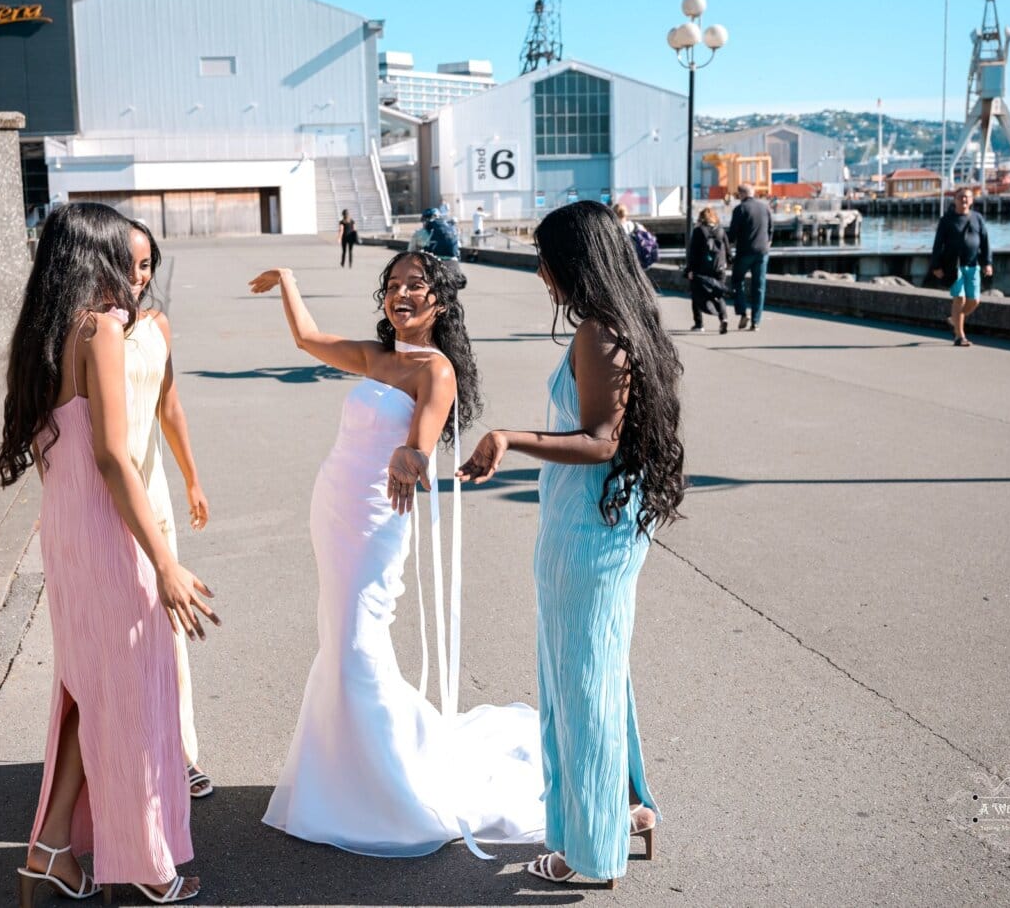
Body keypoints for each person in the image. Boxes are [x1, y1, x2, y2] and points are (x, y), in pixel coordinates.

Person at [252, 252, 545, 858]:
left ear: (441, 298)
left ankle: (393, 789)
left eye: (415, 285)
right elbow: (308, 338)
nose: (401, 294)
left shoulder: (435, 371)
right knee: (340, 638)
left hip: (380, 514)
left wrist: (407, 458)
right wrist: (288, 279)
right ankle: (343, 781)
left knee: (360, 643)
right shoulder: (378, 356)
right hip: (333, 502)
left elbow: (421, 446)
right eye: (392, 286)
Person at [0, 202, 218, 907]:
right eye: (122, 257)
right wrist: (165, 562)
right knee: (131, 700)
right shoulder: (103, 329)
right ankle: (150, 868)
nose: (135, 273)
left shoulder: (47, 330)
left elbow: (54, 454)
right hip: (108, 530)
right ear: (94, 257)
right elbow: (115, 456)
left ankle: (51, 845)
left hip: (66, 531)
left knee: (90, 694)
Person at [458, 201, 685, 890]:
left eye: (544, 256)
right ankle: (625, 806)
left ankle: (588, 851)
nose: (539, 270)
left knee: (578, 683)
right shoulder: (628, 322)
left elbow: (600, 440)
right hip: (600, 527)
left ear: (573, 262)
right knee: (596, 674)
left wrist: (508, 437)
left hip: (587, 535)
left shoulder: (598, 332)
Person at [127, 222, 215, 800]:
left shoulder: (157, 325)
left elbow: (170, 406)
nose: (137, 277)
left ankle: (179, 753)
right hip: (103, 496)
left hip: (151, 493)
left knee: (166, 625)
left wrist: (191, 479)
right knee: (120, 631)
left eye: (144, 264)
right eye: (127, 263)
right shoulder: (86, 330)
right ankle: (122, 749)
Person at [929, 188, 992, 346]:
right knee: (960, 298)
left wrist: (987, 263)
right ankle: (959, 336)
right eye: (960, 197)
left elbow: (985, 241)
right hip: (954, 266)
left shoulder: (978, 218)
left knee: (975, 300)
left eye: (967, 198)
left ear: (971, 201)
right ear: (955, 200)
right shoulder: (947, 219)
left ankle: (954, 319)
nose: (964, 200)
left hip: (973, 265)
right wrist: (936, 265)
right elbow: (938, 244)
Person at [727, 183, 772, 331]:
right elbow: (771, 229)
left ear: (741, 194)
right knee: (759, 286)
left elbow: (732, 234)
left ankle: (742, 311)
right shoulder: (765, 207)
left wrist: (726, 248)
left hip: (745, 252)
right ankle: (756, 321)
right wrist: (767, 243)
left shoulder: (740, 209)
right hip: (762, 252)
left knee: (737, 281)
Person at [685, 206, 730, 333]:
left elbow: (693, 252)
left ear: (701, 218)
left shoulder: (699, 231)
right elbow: (727, 249)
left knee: (696, 294)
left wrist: (690, 270)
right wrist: (727, 263)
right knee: (718, 294)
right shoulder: (721, 230)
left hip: (702, 270)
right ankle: (724, 319)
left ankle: (699, 324)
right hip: (719, 268)